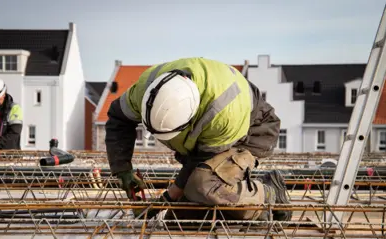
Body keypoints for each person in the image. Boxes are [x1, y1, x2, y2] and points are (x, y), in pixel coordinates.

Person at [105, 57, 292, 222]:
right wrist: (123, 171)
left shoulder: (221, 113)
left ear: (191, 118)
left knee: (204, 185)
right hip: (209, 138)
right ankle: (236, 207)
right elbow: (118, 118)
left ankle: (269, 195)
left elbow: (198, 162)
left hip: (253, 131)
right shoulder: (146, 91)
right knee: (181, 216)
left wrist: (163, 202)